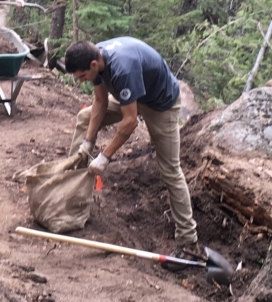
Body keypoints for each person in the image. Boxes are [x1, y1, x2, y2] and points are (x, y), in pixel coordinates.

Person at [63, 37, 199, 267]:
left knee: (171, 171)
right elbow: (99, 101)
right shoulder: (95, 56)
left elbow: (129, 122)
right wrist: (88, 142)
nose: (82, 80)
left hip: (160, 104)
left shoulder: (122, 69)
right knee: (84, 118)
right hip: (134, 96)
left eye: (83, 76)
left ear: (94, 65)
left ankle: (189, 243)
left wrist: (104, 156)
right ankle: (72, 192)